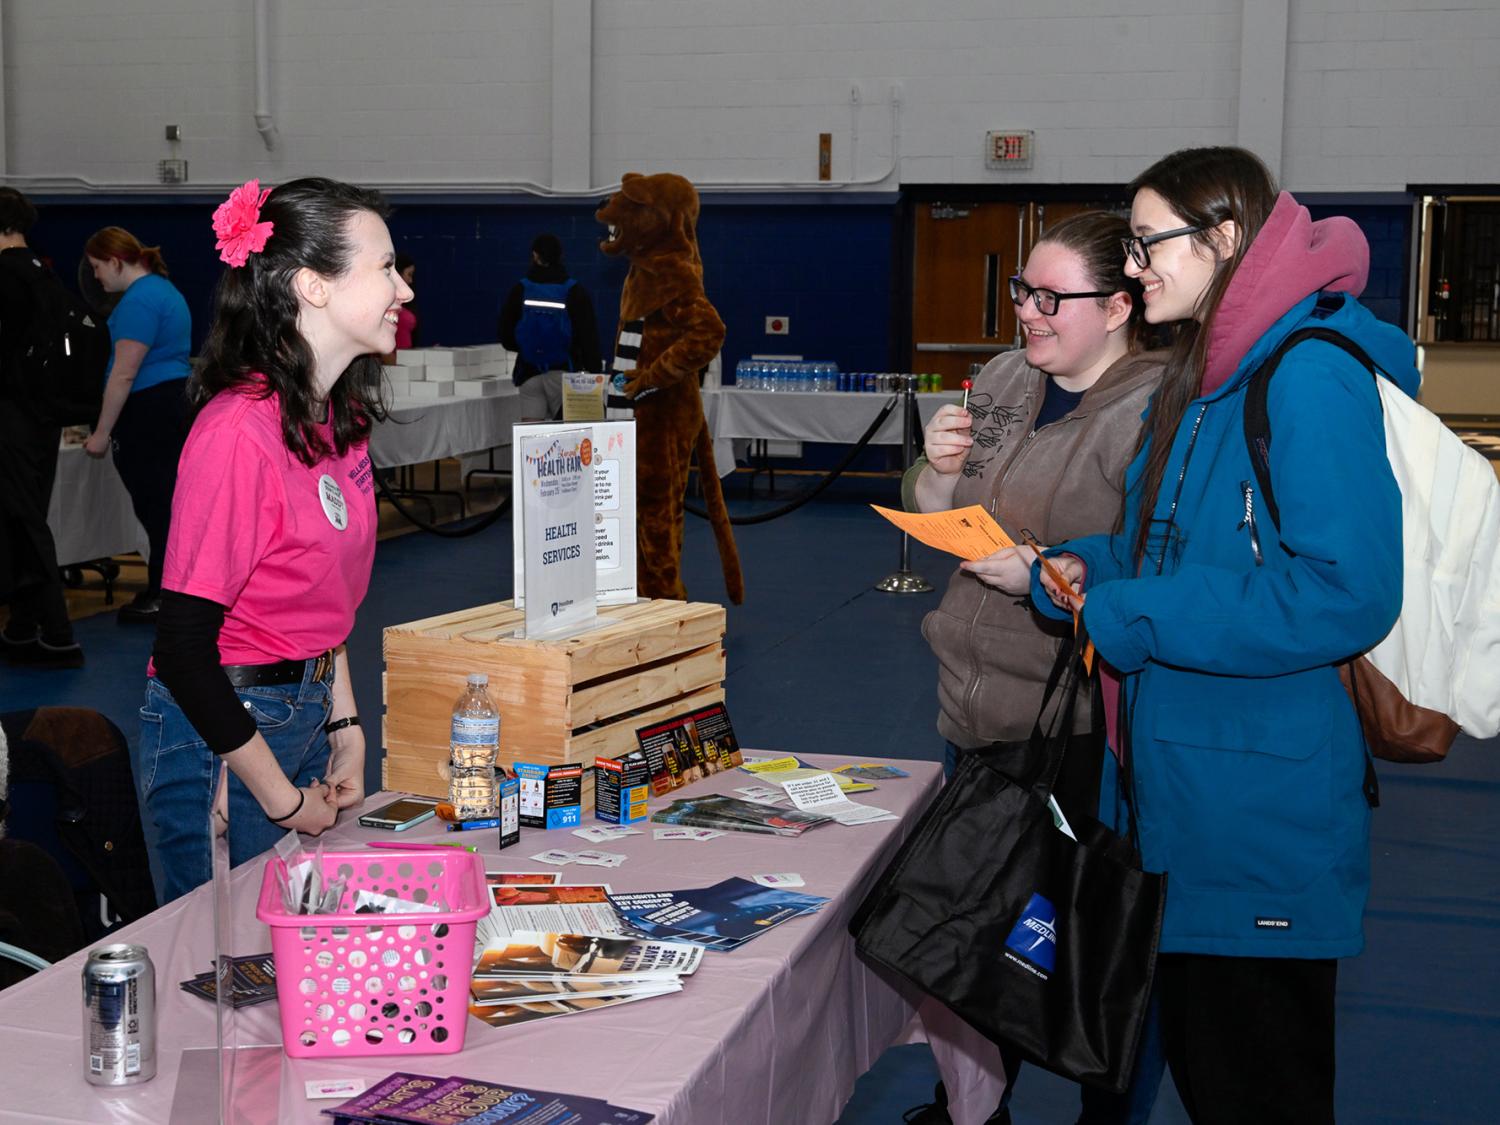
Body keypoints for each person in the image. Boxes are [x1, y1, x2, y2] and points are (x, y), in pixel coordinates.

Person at [1023, 146, 1413, 1123]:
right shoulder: (1213, 373)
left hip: (1258, 815)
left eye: (1148, 243)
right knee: (1203, 1067)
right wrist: (1084, 571)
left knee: (1256, 1088)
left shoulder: (1307, 374)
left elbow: (1343, 593)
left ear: (1224, 238)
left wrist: (1127, 614)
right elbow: (1174, 554)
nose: (1134, 266)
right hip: (1186, 798)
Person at [907, 211, 1167, 1125]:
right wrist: (935, 475)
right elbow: (940, 504)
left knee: (1083, 948)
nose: (1028, 311)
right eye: (1023, 290)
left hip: (1078, 731)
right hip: (971, 714)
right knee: (970, 947)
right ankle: (971, 1107)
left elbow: (1153, 561)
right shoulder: (1011, 377)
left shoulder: (1156, 408)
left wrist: (1050, 572)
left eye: (1053, 297)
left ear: (1122, 306)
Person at [139, 177, 413, 903]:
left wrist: (347, 725)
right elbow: (183, 649)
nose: (403, 291)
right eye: (384, 268)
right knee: (225, 972)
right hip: (222, 741)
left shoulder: (335, 418)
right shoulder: (237, 433)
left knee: (283, 965)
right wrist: (279, 797)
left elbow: (321, 602)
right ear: (312, 287)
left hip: (301, 715)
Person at [83, 227, 193, 624]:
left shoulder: (139, 301)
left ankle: (163, 591)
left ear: (115, 261)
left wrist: (100, 433)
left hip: (147, 410)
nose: (96, 277)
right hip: (169, 404)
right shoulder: (166, 292)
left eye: (97, 267)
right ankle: (169, 588)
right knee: (167, 504)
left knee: (157, 506)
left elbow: (124, 374)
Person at [0, 187, 84, 667]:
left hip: (11, 414)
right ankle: (24, 625)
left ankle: (56, 631)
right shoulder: (43, 273)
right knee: (25, 516)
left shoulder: (6, 278)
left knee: (24, 522)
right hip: (44, 417)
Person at [497, 233, 601, 421]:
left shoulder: (520, 289)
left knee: (531, 440)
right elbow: (589, 339)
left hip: (529, 374)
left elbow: (505, 334)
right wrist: (593, 375)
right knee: (567, 440)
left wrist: (528, 350)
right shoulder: (574, 291)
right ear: (561, 256)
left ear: (534, 255)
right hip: (564, 375)